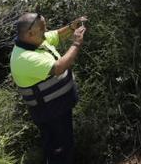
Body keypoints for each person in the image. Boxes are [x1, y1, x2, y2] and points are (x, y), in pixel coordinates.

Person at [10, 13, 87, 164]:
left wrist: (72, 27)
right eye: (43, 28)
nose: (46, 31)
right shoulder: (24, 58)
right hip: (50, 113)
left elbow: (57, 35)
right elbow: (58, 68)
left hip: (58, 108)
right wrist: (76, 43)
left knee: (65, 144)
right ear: (31, 33)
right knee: (59, 151)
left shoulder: (36, 41)